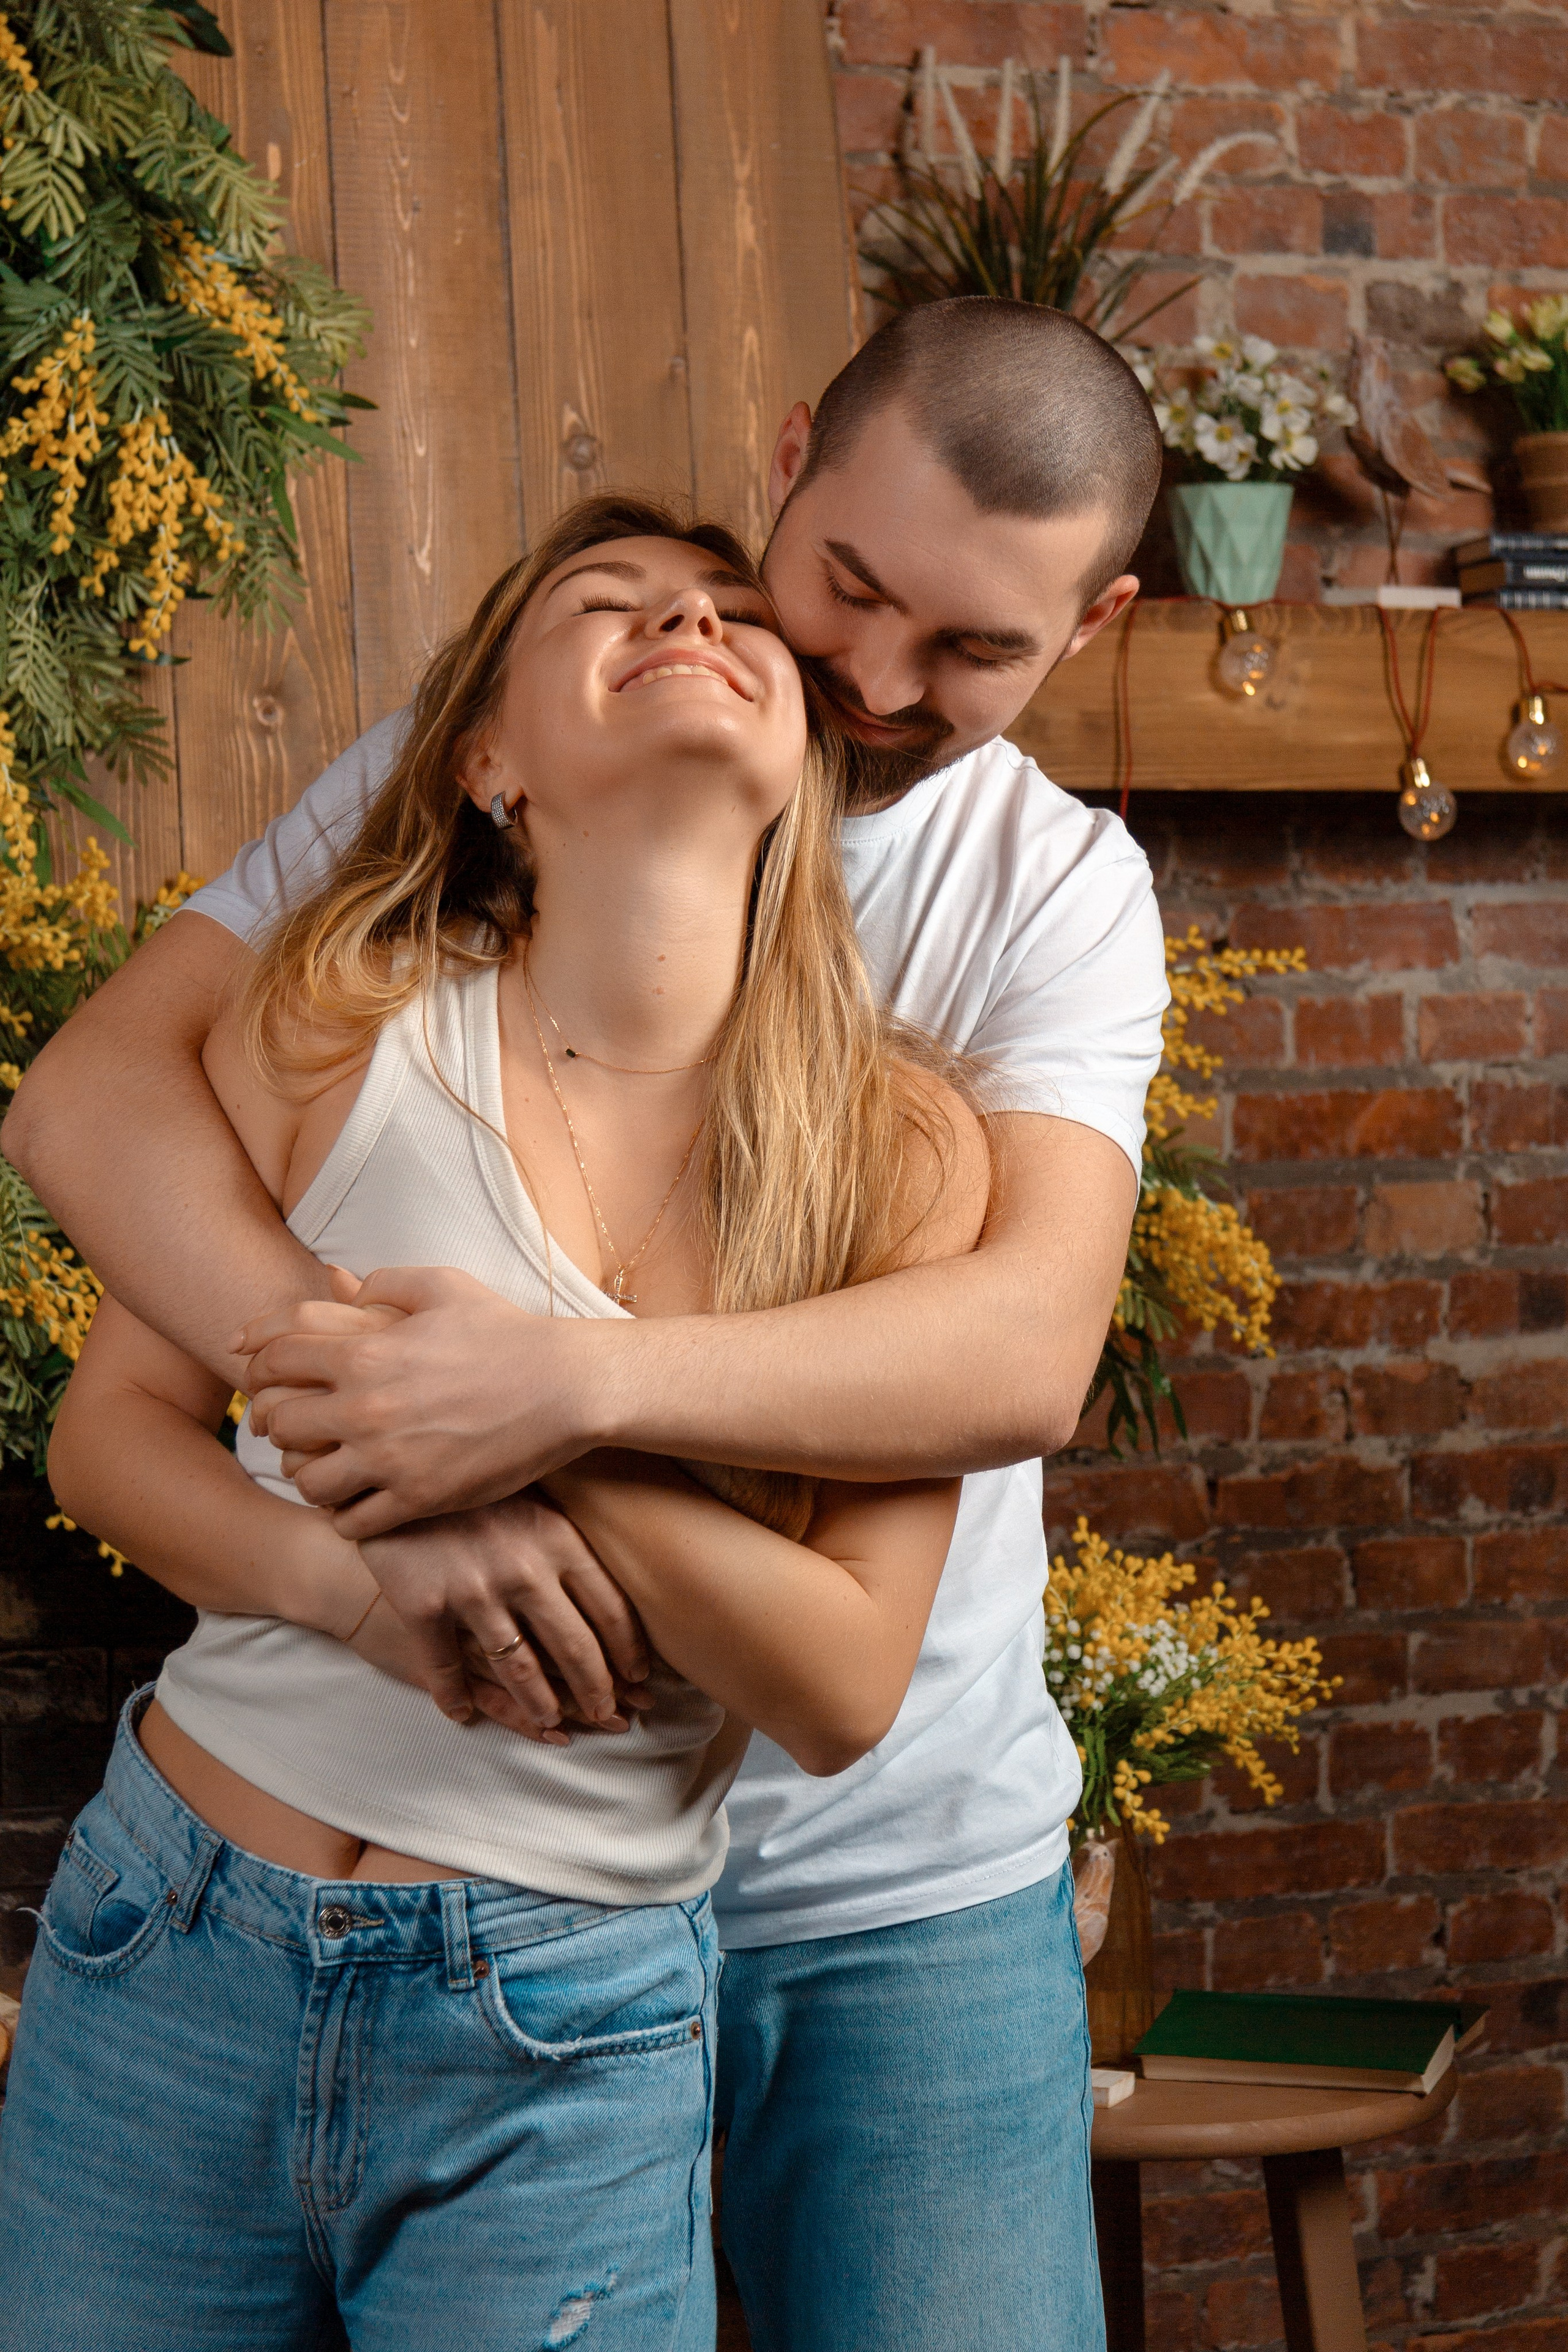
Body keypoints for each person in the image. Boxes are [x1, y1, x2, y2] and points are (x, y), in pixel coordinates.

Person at [6, 299, 1170, 2352]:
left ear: (1093, 628)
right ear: (790, 455)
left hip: (891, 1876)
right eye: (849, 586)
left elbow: (1016, 1360)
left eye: (977, 648)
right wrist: (383, 1462)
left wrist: (548, 1399)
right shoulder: (441, 871)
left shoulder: (1044, 909)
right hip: (271, 1882)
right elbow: (101, 1106)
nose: (877, 679)